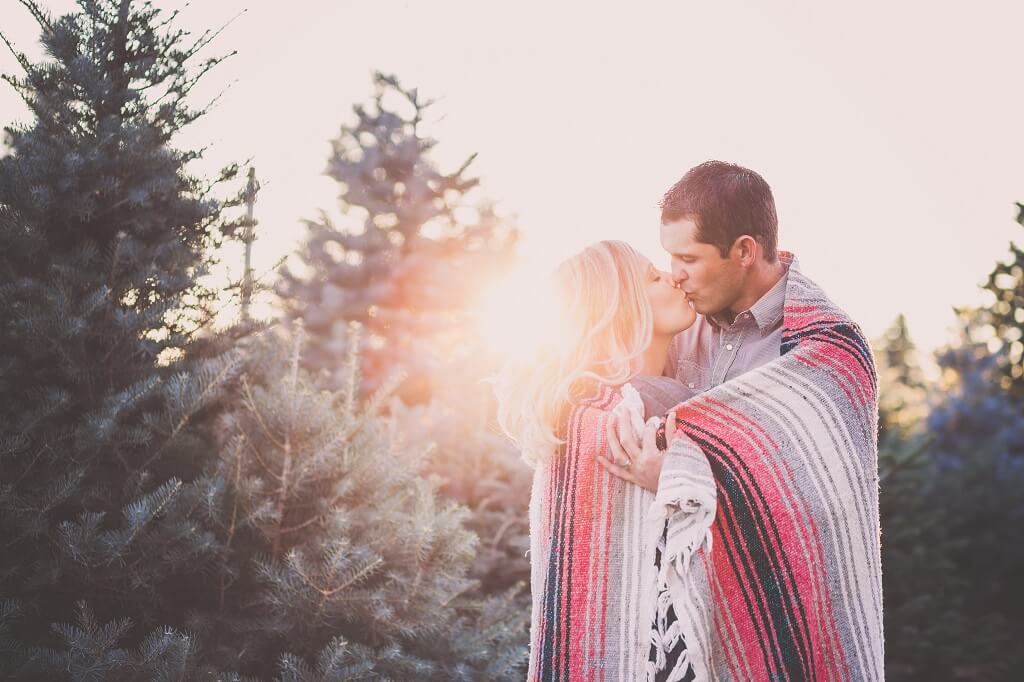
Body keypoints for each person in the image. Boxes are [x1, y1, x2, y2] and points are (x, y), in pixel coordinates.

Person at [601, 161, 885, 681]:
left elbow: (819, 508)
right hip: (672, 617)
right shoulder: (680, 323)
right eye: (670, 258)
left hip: (774, 611)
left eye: (688, 258)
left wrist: (678, 479)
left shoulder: (827, 350)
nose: (675, 274)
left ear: (745, 251)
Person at [494, 240, 701, 681]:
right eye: (652, 277)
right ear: (621, 305)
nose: (672, 276)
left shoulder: (668, 403)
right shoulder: (606, 418)